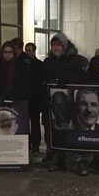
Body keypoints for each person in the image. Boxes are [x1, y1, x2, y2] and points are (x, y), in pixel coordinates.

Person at [42, 32, 89, 175]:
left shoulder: (75, 60)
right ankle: (59, 159)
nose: (55, 47)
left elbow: (84, 77)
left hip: (71, 104)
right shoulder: (48, 62)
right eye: (53, 45)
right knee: (56, 131)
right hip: (53, 105)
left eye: (58, 45)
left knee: (74, 132)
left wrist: (68, 79)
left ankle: (80, 162)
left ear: (64, 46)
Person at [24, 42, 44, 152]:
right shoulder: (23, 64)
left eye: (29, 50)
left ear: (34, 51)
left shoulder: (38, 65)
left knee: (35, 122)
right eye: (26, 50)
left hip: (35, 98)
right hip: (26, 97)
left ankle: (35, 144)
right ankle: (27, 143)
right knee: (25, 121)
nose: (27, 52)